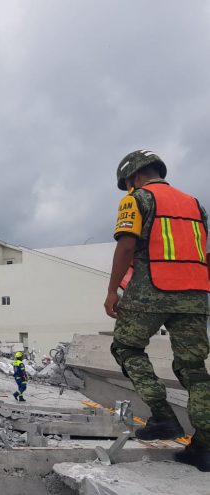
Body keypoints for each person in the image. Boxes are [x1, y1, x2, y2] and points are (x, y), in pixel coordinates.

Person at [105, 150, 210, 472]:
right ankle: (205, 446)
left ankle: (164, 417)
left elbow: (125, 246)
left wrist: (112, 292)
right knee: (194, 368)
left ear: (134, 177)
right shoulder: (195, 204)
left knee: (125, 346)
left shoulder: (137, 199)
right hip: (195, 293)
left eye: (127, 184)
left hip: (153, 290)